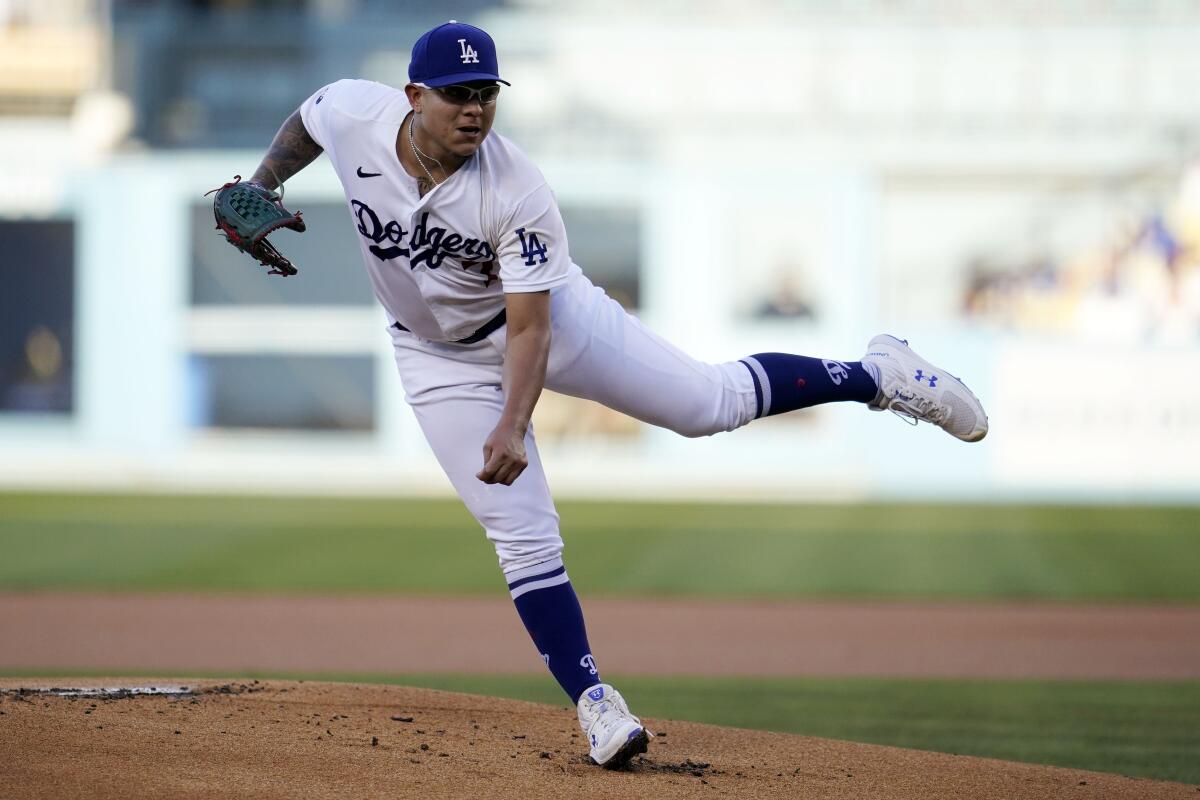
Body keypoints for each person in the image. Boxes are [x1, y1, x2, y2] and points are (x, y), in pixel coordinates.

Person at [236, 20, 988, 769]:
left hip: (548, 321)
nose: (474, 110)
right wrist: (261, 184)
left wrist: (512, 423)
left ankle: (879, 375)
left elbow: (530, 333)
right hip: (431, 354)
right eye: (457, 95)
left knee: (708, 405)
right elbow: (309, 120)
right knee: (521, 532)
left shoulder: (515, 188)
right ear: (413, 96)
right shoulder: (355, 112)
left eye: (486, 95)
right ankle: (597, 705)